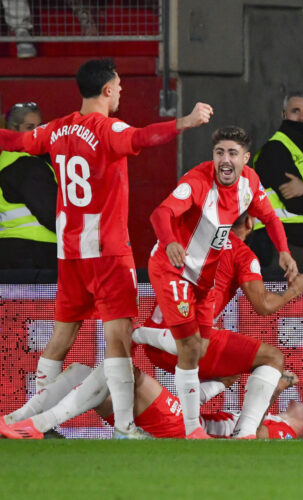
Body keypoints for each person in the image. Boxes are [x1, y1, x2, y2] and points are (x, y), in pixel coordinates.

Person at [0, 58, 213, 438]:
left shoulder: (55, 128)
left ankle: (37, 420)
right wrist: (186, 121)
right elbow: (143, 137)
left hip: (70, 252)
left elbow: (16, 141)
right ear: (108, 90)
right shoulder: (108, 127)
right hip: (107, 250)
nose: (121, 92)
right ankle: (124, 426)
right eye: (119, 86)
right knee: (119, 335)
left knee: (62, 336)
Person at [148, 125, 298, 438]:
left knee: (205, 350)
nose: (225, 159)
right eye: (219, 153)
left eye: (232, 153)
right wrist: (170, 241)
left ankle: (185, 407)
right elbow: (161, 213)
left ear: (245, 158)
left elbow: (271, 217)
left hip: (198, 283)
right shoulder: (197, 182)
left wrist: (284, 251)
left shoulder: (249, 185)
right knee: (264, 356)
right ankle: (225, 431)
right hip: (175, 269)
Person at [133, 210, 303, 438]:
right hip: (187, 339)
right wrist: (293, 291)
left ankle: (189, 403)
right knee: (273, 358)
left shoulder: (194, 237)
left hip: (159, 343)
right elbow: (263, 305)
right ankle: (245, 434)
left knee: (235, 364)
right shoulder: (242, 254)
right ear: (249, 222)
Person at [0, 362, 303, 439]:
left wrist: (271, 390)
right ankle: (14, 421)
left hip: (184, 430)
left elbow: (250, 440)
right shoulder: (270, 417)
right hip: (183, 421)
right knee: (82, 371)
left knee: (120, 367)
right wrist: (221, 384)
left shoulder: (284, 434)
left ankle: (37, 425)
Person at [250, 91, 303, 269]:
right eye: (295, 111)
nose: (302, 117)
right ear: (284, 115)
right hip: (278, 249)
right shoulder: (274, 150)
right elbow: (297, 204)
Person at [0, 102, 57, 268]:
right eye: (30, 127)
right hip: (35, 255)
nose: (37, 133)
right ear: (12, 130)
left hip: (12, 253)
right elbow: (51, 212)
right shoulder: (27, 165)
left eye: (40, 127)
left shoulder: (5, 161)